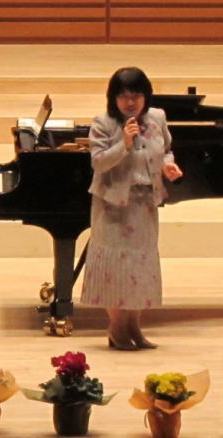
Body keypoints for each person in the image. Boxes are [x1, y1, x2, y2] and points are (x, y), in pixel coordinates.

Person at [80, 66, 183, 350]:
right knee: (116, 267)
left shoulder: (157, 118)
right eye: (123, 97)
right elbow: (98, 162)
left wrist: (168, 166)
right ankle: (117, 328)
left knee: (140, 265)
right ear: (113, 98)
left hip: (145, 203)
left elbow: (166, 150)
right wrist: (123, 144)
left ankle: (135, 327)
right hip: (113, 206)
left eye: (136, 96)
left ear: (145, 97)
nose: (130, 103)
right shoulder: (102, 124)